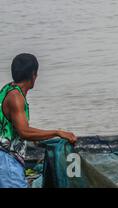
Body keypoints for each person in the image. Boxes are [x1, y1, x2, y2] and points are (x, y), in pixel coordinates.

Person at [0, 54, 77, 188]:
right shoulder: (16, 97)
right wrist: (57, 133)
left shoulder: (9, 89)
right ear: (33, 75)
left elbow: (17, 127)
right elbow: (24, 131)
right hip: (6, 159)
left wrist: (37, 136)